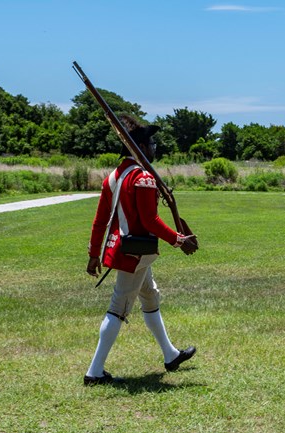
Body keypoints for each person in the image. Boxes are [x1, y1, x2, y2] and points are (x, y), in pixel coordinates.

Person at [84, 115, 199, 385]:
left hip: (126, 251)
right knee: (118, 308)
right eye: (150, 143)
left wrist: (93, 253)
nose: (154, 148)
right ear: (140, 147)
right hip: (134, 253)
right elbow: (150, 221)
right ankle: (94, 371)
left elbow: (101, 220)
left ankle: (170, 355)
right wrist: (179, 240)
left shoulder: (113, 176)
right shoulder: (143, 177)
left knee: (150, 297)